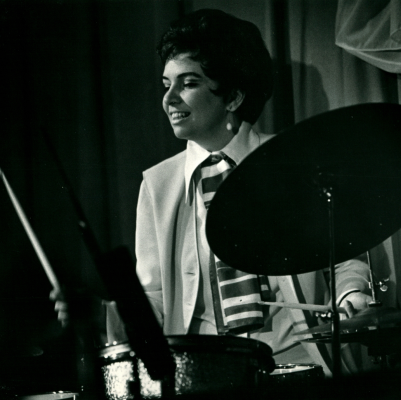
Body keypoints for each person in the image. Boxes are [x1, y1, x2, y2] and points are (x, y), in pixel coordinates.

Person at [52, 9, 372, 376]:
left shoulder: (291, 162)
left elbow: (344, 261)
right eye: (166, 84)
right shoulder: (157, 185)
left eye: (187, 83)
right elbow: (154, 302)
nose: (169, 99)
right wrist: (102, 314)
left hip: (298, 369)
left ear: (233, 96)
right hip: (203, 373)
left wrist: (350, 293)